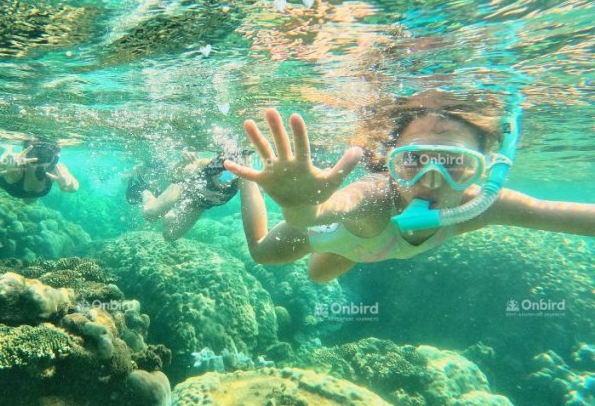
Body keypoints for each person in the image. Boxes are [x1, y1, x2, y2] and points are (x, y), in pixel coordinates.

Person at [225, 92, 595, 283]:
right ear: (390, 160)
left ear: (485, 168)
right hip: (345, 234)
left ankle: (354, 246)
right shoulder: (373, 199)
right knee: (267, 255)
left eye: (454, 162)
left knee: (321, 273)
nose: (431, 180)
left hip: (363, 247)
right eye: (414, 159)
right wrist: (299, 204)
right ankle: (244, 168)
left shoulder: (482, 205)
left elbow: (554, 214)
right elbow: (317, 212)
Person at [128, 151, 241, 241]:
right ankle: (145, 190)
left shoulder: (243, 179)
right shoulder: (208, 166)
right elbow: (173, 177)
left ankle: (168, 214)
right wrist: (183, 163)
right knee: (151, 215)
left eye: (232, 172)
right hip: (182, 188)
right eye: (223, 168)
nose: (225, 175)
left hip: (200, 205)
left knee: (170, 236)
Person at [0, 138, 78, 200]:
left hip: (32, 194)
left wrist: (69, 184)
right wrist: (2, 164)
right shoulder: (16, 163)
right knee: (7, 155)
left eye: (46, 154)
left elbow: (75, 187)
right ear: (25, 150)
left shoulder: (57, 169)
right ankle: (6, 150)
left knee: (30, 200)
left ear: (54, 155)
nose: (40, 158)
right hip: (12, 187)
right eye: (35, 153)